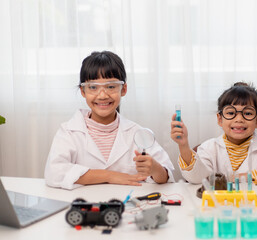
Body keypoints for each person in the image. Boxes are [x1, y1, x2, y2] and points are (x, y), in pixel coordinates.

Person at [45, 51, 174, 190]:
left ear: (123, 89)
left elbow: (166, 176)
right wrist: (110, 176)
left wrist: (154, 168)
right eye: (93, 87)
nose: (102, 95)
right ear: (83, 91)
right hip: (84, 205)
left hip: (126, 206)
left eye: (111, 86)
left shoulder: (137, 133)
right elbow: (54, 174)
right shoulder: (69, 132)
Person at [170, 82, 257, 184]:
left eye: (247, 113)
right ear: (220, 119)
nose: (239, 119)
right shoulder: (209, 148)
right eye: (231, 113)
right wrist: (184, 145)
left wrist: (244, 177)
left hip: (252, 206)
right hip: (219, 207)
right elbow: (197, 178)